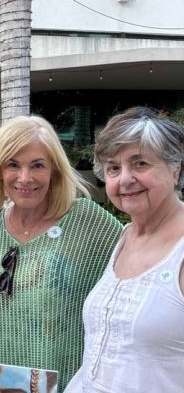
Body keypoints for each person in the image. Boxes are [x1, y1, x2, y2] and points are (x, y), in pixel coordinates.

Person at [0, 115, 122, 391]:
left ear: (54, 170)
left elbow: (136, 275)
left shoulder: (87, 221)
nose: (24, 178)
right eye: (13, 165)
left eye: (37, 165)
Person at [66, 107, 184, 392]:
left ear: (175, 170)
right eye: (113, 168)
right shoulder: (125, 236)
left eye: (140, 163)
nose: (125, 179)